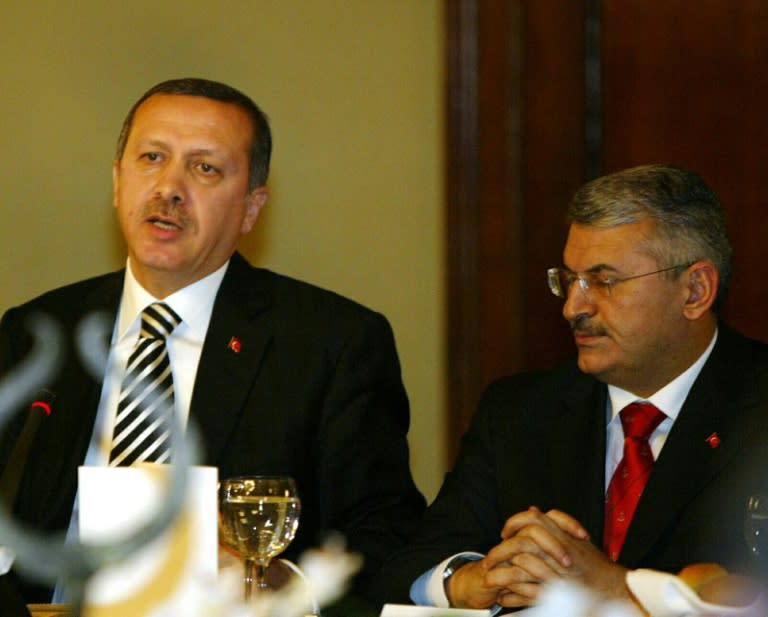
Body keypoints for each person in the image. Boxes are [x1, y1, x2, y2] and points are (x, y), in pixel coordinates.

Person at [0, 77, 425, 607]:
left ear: (251, 207)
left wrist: (274, 582)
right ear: (116, 182)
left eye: (205, 168)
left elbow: (386, 534)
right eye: (152, 157)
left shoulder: (330, 344)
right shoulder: (39, 330)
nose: (169, 188)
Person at [372, 164, 768, 614]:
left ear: (695, 290)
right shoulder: (519, 410)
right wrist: (469, 580)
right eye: (569, 280)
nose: (573, 307)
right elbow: (405, 568)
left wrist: (618, 588)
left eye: (604, 281)